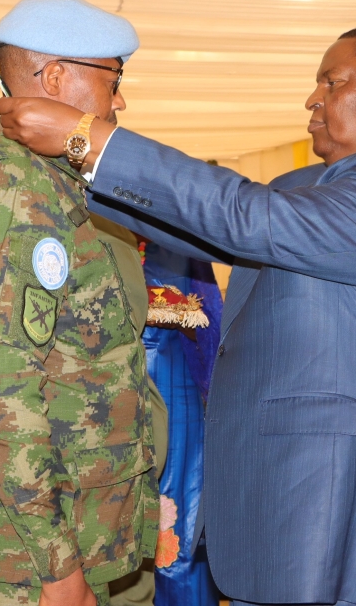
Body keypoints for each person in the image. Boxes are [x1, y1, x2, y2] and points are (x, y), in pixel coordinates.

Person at [0, 21, 356, 605]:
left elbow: (247, 217)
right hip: (295, 504)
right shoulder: (311, 185)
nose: (313, 97)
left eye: (333, 81)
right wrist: (74, 166)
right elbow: (214, 224)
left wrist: (88, 139)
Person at [0, 0, 159, 605]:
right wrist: (56, 566)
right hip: (20, 556)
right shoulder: (11, 186)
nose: (120, 100)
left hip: (69, 532)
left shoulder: (48, 178)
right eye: (113, 78)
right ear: (55, 77)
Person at [139, 240, 222, 606]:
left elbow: (199, 315)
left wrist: (129, 296)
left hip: (173, 395)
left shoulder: (170, 238)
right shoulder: (86, 226)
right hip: (106, 401)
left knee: (176, 539)